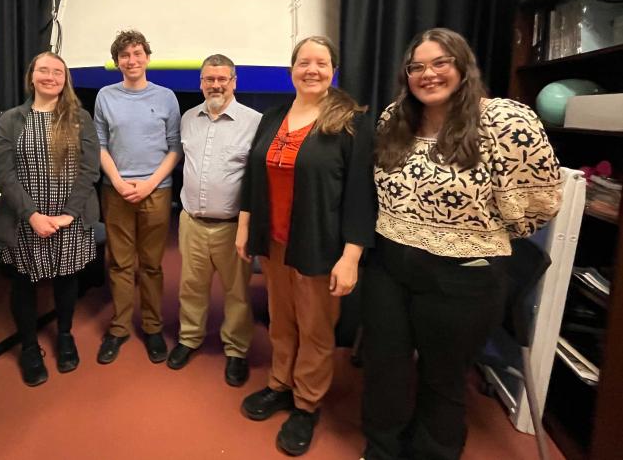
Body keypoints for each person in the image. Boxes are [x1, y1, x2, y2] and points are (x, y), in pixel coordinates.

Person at [360, 27, 563, 460]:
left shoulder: (505, 121)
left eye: (440, 63)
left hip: (463, 277)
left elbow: (539, 205)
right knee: (384, 369)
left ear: (462, 67)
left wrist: (473, 231)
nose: (427, 74)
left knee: (442, 379)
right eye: (417, 67)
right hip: (389, 268)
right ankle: (381, 451)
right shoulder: (393, 119)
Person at [235, 36, 375, 456]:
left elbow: (360, 195)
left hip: (320, 245)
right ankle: (280, 385)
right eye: (303, 62)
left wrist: (351, 256)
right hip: (274, 241)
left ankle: (306, 404)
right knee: (281, 320)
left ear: (333, 69)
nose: (311, 69)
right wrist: (245, 227)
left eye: (321, 62)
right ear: (291, 68)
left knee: (315, 329)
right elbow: (253, 177)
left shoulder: (350, 121)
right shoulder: (273, 117)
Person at [0, 51, 100, 386]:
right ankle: (28, 346)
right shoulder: (11, 119)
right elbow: (3, 172)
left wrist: (68, 214)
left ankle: (64, 335)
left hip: (70, 216)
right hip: (26, 217)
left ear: (65, 79)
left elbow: (89, 169)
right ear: (32, 75)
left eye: (58, 72)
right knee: (24, 282)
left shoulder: (80, 118)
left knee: (67, 279)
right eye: (44, 70)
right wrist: (32, 214)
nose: (51, 76)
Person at [166, 54, 261, 386]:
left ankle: (236, 351)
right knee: (190, 287)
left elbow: (257, 179)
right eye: (210, 79)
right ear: (201, 83)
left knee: (237, 293)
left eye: (223, 79)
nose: (216, 85)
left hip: (233, 228)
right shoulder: (188, 118)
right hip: (191, 222)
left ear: (234, 82)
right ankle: (190, 338)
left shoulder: (254, 122)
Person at [94, 29, 182, 365]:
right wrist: (117, 180)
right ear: (117, 62)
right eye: (125, 55)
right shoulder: (105, 96)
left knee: (151, 264)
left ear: (147, 57)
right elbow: (100, 144)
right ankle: (118, 328)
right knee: (118, 262)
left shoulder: (166, 97)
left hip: (156, 191)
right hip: (115, 191)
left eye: (137, 53)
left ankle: (152, 326)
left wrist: (149, 183)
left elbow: (174, 147)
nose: (132, 60)